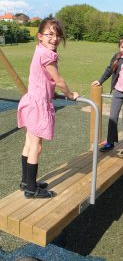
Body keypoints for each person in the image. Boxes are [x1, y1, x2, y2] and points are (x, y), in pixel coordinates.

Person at [17, 17, 79, 199]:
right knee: (36, 146)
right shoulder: (47, 55)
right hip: (37, 106)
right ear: (40, 37)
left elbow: (45, 80)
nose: (54, 38)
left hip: (31, 101)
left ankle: (26, 182)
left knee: (29, 143)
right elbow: (59, 80)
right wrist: (69, 94)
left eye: (57, 34)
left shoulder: (39, 51)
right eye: (49, 34)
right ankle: (31, 189)